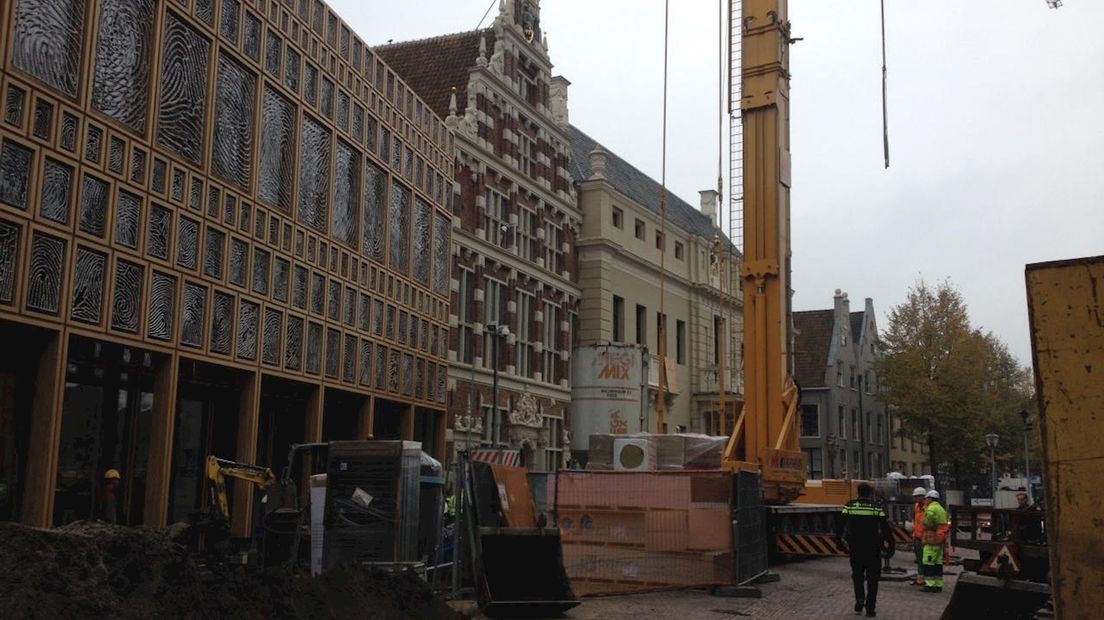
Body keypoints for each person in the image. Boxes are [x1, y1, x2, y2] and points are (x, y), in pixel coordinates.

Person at [838, 483, 893, 617]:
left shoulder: (849, 506)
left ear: (858, 492)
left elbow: (840, 525)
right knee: (873, 579)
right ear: (869, 493)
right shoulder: (876, 508)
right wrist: (890, 547)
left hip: (855, 548)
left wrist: (840, 543)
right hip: (873, 549)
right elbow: (886, 529)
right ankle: (870, 608)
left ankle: (859, 599)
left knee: (857, 576)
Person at [921, 489, 950, 592]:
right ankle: (938, 584)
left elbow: (927, 522)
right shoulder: (941, 509)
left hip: (931, 539)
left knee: (928, 562)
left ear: (930, 498)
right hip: (940, 538)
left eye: (926, 498)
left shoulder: (931, 509)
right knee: (938, 563)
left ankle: (930, 584)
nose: (925, 500)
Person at [909, 486, 928, 586]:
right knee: (919, 559)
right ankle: (920, 579)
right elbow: (915, 520)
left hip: (926, 538)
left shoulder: (928, 507)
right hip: (917, 536)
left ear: (923, 497)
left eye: (917, 497)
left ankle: (927, 579)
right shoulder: (916, 506)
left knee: (926, 559)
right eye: (915, 497)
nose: (915, 499)